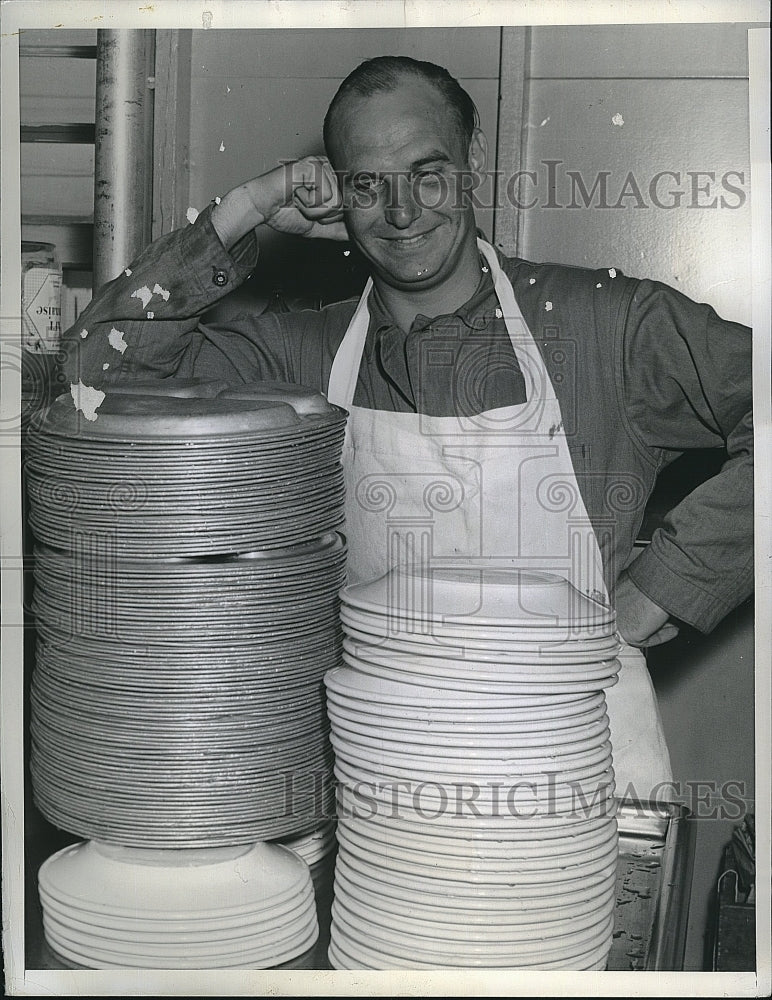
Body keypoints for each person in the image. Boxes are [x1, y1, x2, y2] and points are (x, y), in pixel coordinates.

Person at [61, 56, 753, 802]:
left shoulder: (606, 325)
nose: (400, 213)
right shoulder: (303, 353)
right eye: (368, 184)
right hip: (386, 790)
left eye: (427, 172)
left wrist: (668, 584)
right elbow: (95, 375)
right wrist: (247, 207)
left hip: (579, 786)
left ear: (473, 159)